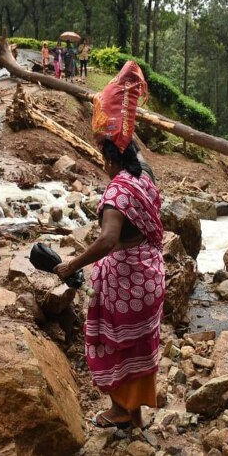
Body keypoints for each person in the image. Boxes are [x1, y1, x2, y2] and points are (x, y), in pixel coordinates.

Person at [55, 140, 164, 429]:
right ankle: (135, 413)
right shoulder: (143, 177)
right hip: (149, 274)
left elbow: (108, 239)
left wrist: (72, 264)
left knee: (115, 343)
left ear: (108, 160)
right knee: (140, 344)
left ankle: (119, 410)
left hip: (127, 283)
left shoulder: (117, 190)